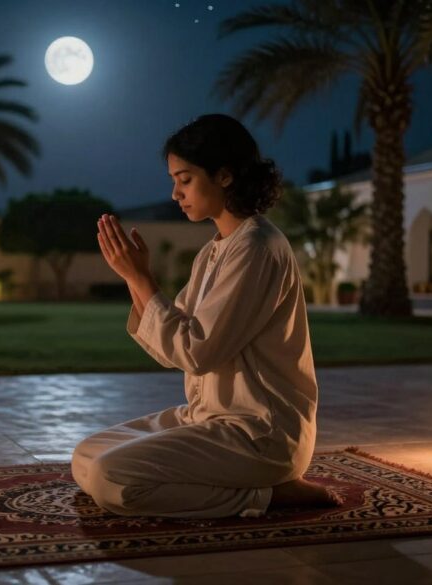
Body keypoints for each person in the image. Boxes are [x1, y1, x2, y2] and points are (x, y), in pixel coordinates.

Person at [71, 113, 343, 519]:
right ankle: (247, 486)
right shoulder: (215, 250)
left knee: (113, 479)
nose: (176, 193)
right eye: (174, 181)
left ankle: (267, 495)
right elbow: (172, 346)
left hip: (257, 433)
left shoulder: (258, 248)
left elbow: (198, 352)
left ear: (225, 176)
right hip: (204, 419)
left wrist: (141, 279)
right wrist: (135, 277)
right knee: (86, 456)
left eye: (185, 179)